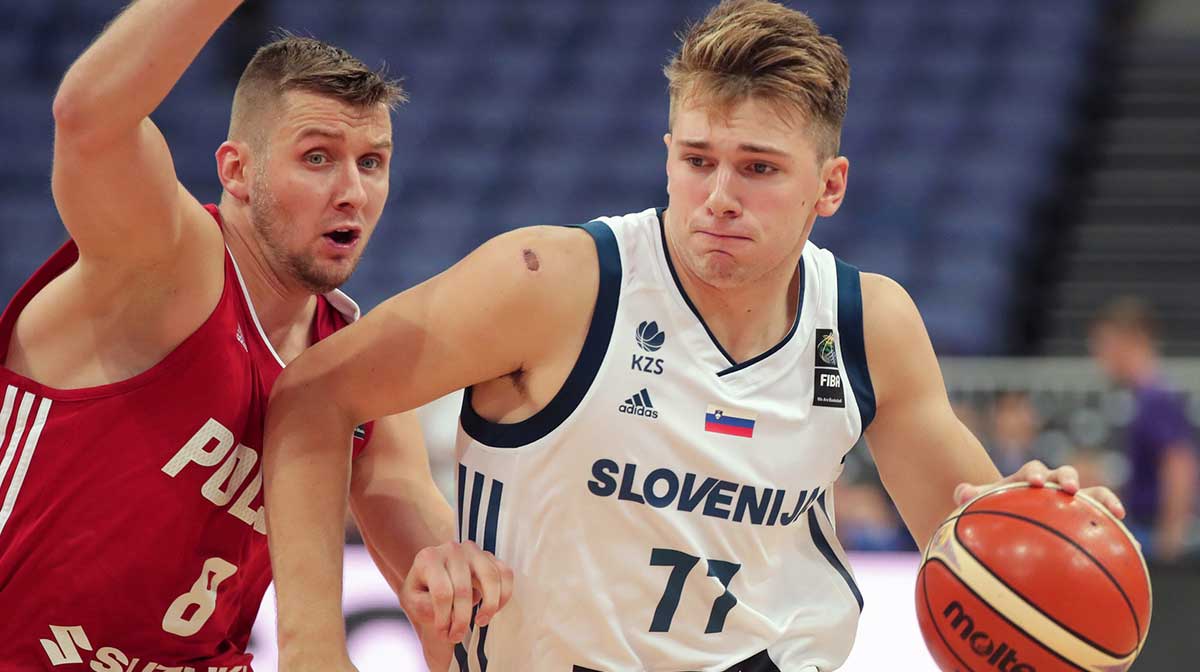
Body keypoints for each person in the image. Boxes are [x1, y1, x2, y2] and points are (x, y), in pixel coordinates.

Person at [263, 1, 1127, 669]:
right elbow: (314, 395)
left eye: (758, 168)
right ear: (667, 153)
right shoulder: (552, 283)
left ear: (829, 188)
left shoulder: (869, 325)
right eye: (698, 159)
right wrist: (311, 646)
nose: (719, 194)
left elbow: (974, 544)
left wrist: (1033, 513)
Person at [0, 1, 506, 670]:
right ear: (236, 171)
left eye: (372, 162)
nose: (352, 190)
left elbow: (432, 560)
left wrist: (460, 576)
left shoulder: (354, 371)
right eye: (318, 157)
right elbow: (89, 119)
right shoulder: (170, 261)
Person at [1090, 296, 1198, 563]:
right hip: (1141, 526)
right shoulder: (1135, 398)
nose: (1099, 355)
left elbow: (1179, 463)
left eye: (1106, 343)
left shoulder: (1156, 398)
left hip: (1153, 534)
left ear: (1133, 340)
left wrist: (1171, 535)